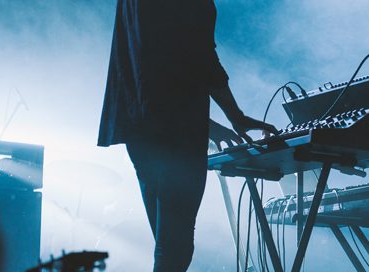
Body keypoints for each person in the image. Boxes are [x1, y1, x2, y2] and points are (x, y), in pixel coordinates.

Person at [97, 1, 276, 271]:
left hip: (139, 124)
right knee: (175, 248)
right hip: (175, 131)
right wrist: (235, 116)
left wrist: (210, 124)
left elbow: (152, 64)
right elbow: (201, 57)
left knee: (168, 245)